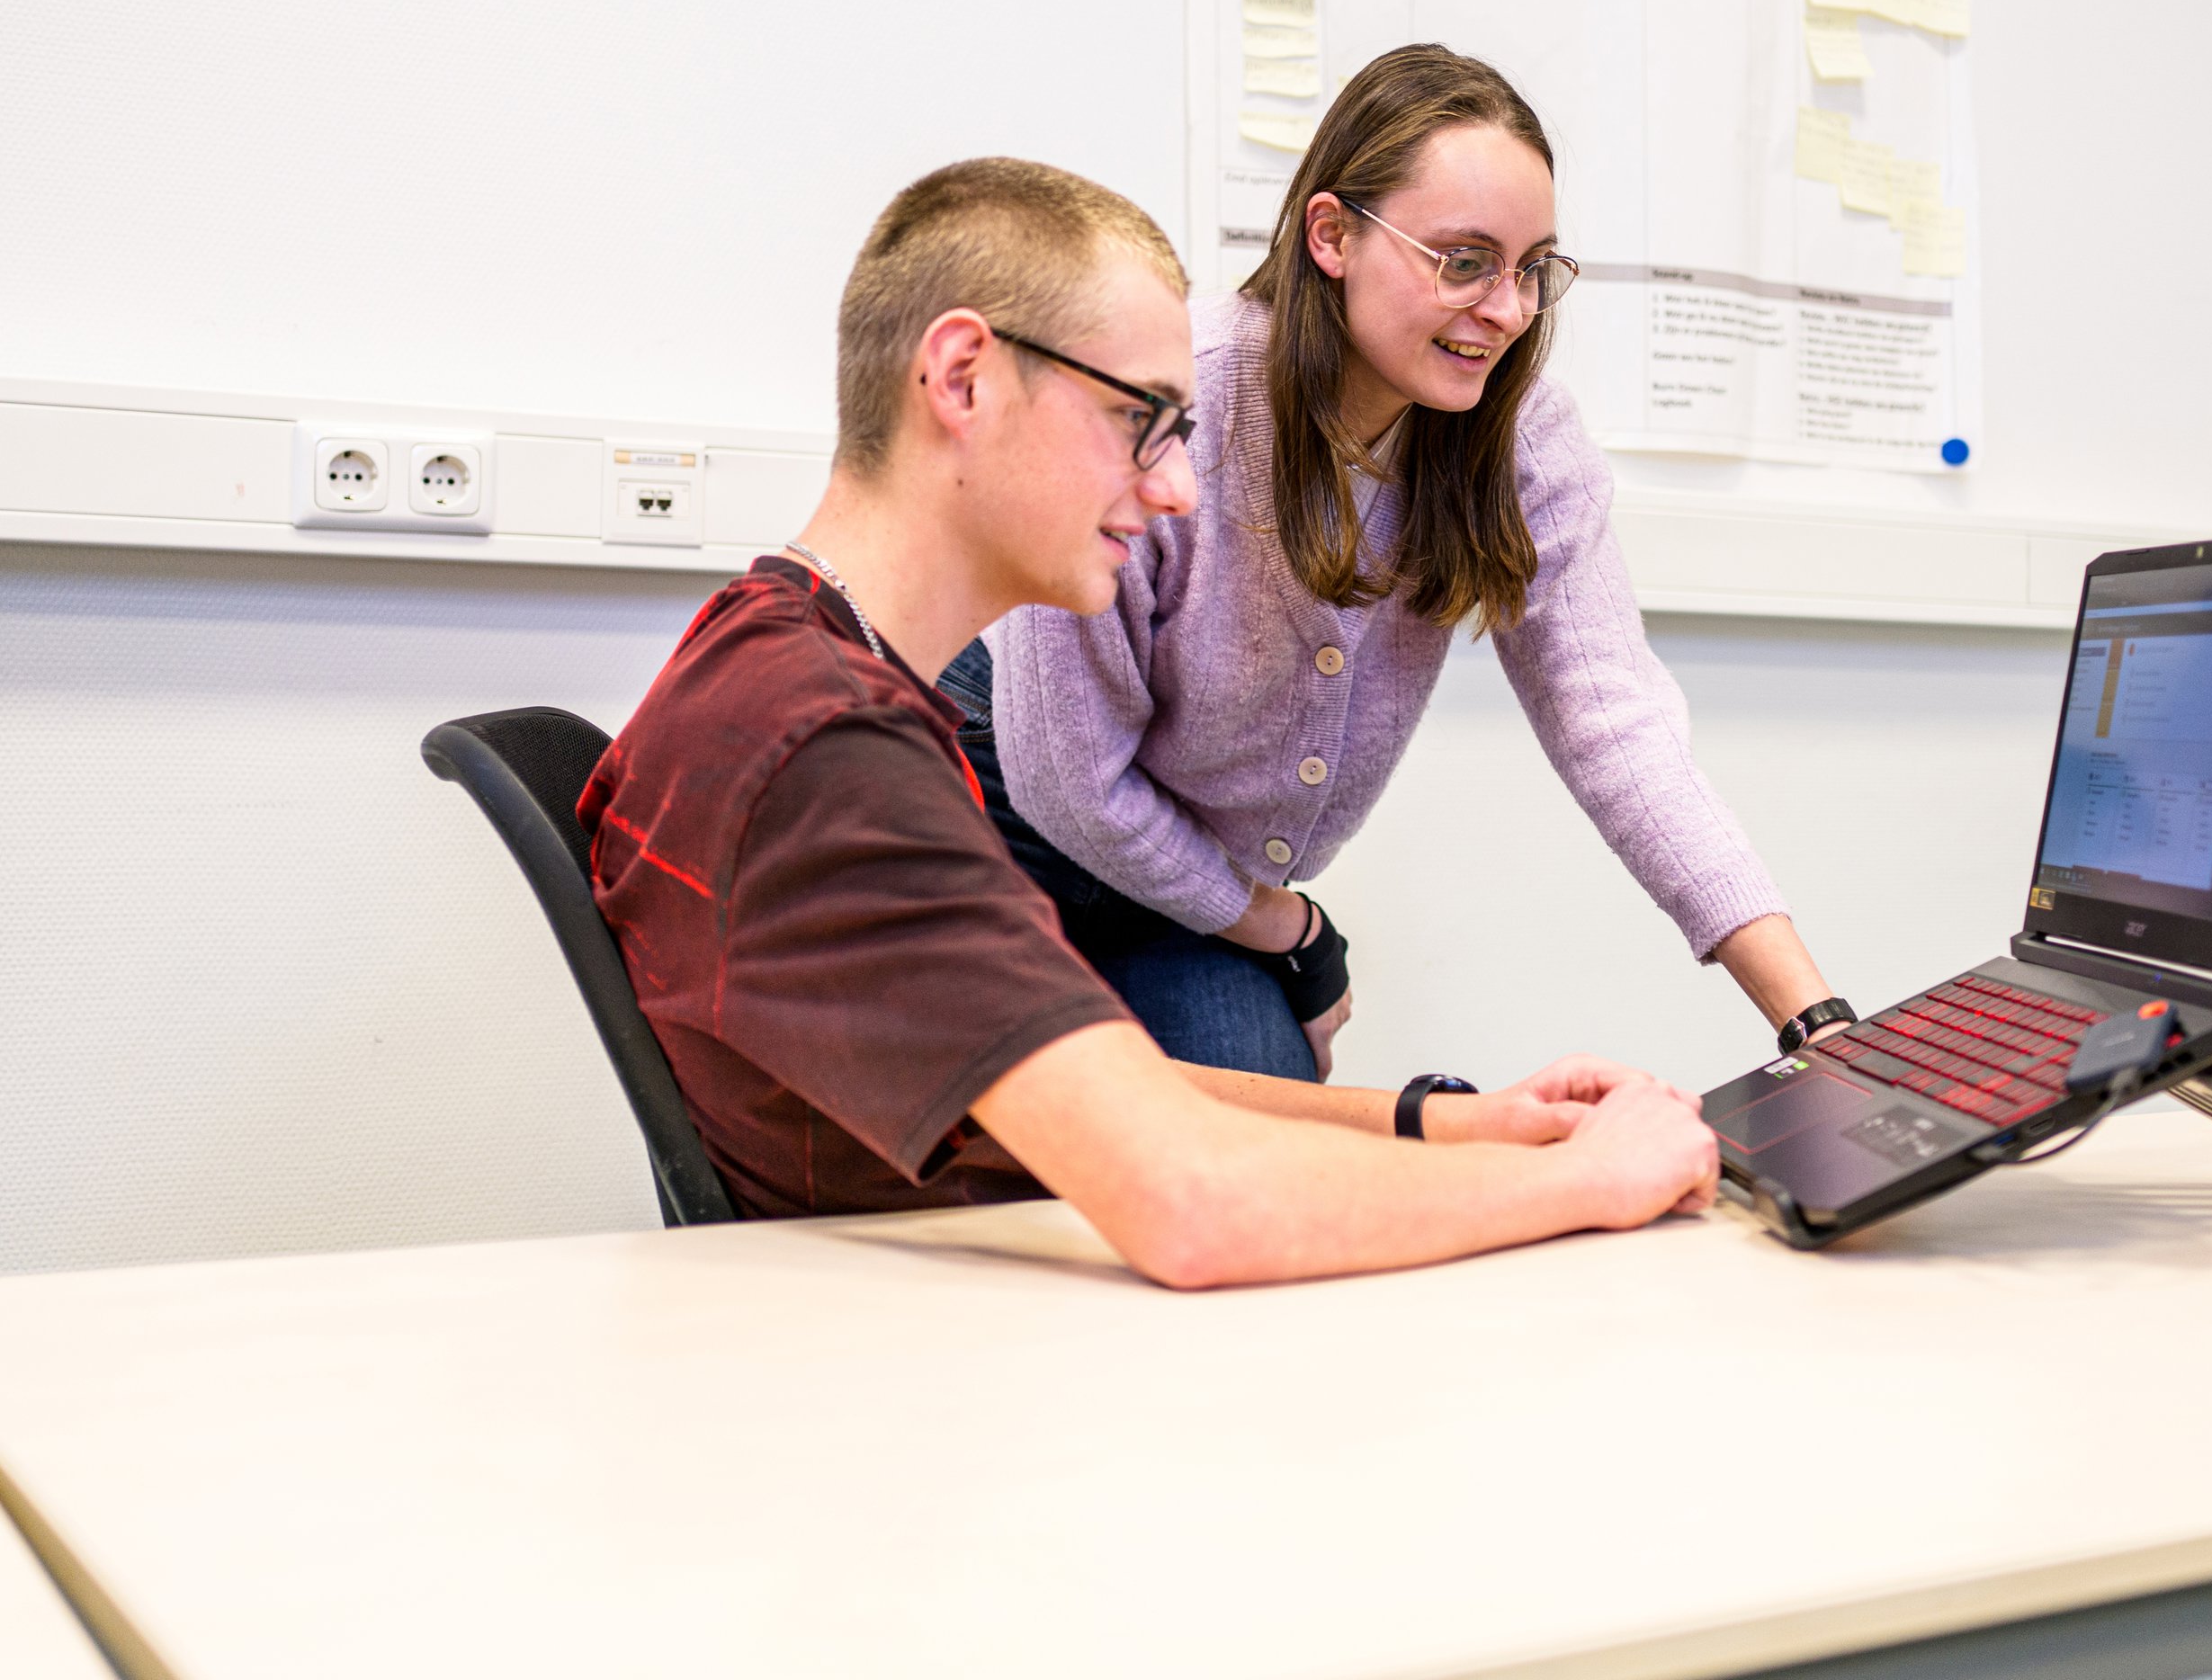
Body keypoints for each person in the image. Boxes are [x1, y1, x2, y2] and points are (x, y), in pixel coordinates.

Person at [579, 157, 1722, 1288]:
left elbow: (1109, 1082)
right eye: (1140, 419)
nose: (1177, 487)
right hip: (937, 1376)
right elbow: (1192, 1205)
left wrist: (1444, 1127)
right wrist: (1595, 1181)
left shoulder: (786, 663)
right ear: (962, 379)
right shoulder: (825, 752)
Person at [957, 45, 1855, 1081]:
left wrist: (1811, 1016)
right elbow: (1068, 781)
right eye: (1463, 261)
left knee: (1277, 1165)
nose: (1508, 311)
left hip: (1193, 883)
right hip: (1005, 809)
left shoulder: (1518, 439)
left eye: (1532, 269)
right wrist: (1287, 935)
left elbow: (1613, 720)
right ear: (1330, 234)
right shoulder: (1178, 396)